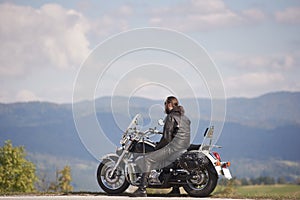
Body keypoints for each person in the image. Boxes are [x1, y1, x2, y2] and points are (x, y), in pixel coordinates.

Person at [131, 96, 191, 197]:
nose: (165, 107)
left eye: (165, 104)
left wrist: (157, 147)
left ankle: (142, 189)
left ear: (169, 104)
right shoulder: (185, 118)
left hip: (173, 148)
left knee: (148, 159)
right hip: (182, 147)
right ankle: (175, 189)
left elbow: (166, 138)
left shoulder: (170, 117)